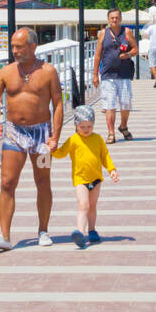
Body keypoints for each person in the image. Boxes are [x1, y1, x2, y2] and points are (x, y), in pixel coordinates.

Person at [0, 27, 65, 251]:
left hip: (41, 134)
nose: (14, 51)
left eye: (19, 46)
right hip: (14, 132)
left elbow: (58, 103)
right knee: (7, 182)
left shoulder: (48, 71)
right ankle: (4, 235)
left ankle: (43, 230)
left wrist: (55, 136)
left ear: (33, 46)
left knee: (43, 181)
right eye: (12, 46)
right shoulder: (6, 72)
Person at [52, 105, 119, 247]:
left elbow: (105, 156)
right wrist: (52, 149)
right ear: (76, 126)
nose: (86, 129)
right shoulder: (73, 140)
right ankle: (80, 233)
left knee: (92, 206)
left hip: (96, 179)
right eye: (82, 126)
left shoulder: (98, 139)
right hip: (80, 179)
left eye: (89, 126)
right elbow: (61, 153)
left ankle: (92, 230)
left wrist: (111, 169)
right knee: (83, 205)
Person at [93, 7, 138, 143]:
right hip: (108, 74)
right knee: (109, 104)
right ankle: (111, 132)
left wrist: (128, 54)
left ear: (121, 19)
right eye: (112, 18)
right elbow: (98, 55)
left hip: (124, 74)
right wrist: (95, 74)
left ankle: (123, 126)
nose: (114, 20)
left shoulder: (127, 32)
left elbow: (136, 48)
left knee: (125, 103)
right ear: (108, 19)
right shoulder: (102, 33)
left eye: (117, 18)